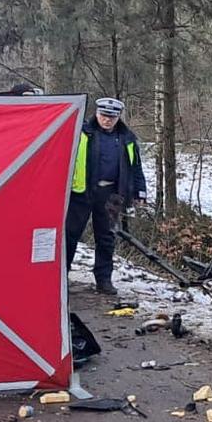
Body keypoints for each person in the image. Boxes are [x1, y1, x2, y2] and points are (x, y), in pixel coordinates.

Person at [65, 97, 147, 295]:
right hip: (81, 191)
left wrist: (140, 192)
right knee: (70, 235)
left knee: (106, 237)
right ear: (96, 113)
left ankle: (103, 280)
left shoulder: (127, 138)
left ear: (118, 117)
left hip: (111, 194)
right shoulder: (82, 132)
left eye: (112, 116)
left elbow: (136, 167)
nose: (107, 120)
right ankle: (61, 275)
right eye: (103, 115)